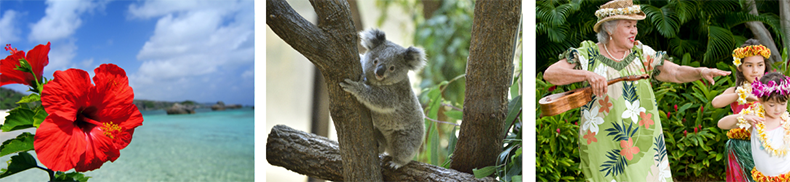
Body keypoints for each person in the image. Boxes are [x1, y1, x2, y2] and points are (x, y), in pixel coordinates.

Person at [543, 0, 731, 181]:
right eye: (628, 25)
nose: (634, 30)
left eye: (635, 25)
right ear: (608, 28)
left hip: (644, 141)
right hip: (603, 144)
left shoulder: (641, 53)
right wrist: (587, 75)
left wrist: (699, 71)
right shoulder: (589, 54)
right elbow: (551, 74)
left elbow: (675, 72)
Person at [711, 39, 771, 182]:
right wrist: (741, 94)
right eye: (749, 65)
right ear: (740, 67)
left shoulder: (770, 89)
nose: (755, 70)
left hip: (765, 145)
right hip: (740, 146)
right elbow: (716, 103)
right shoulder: (735, 91)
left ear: (765, 67)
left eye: (759, 65)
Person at [717, 72, 790, 181]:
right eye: (771, 105)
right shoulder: (754, 118)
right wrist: (743, 117)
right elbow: (721, 124)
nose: (778, 109)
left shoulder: (787, 121)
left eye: (782, 104)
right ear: (760, 100)